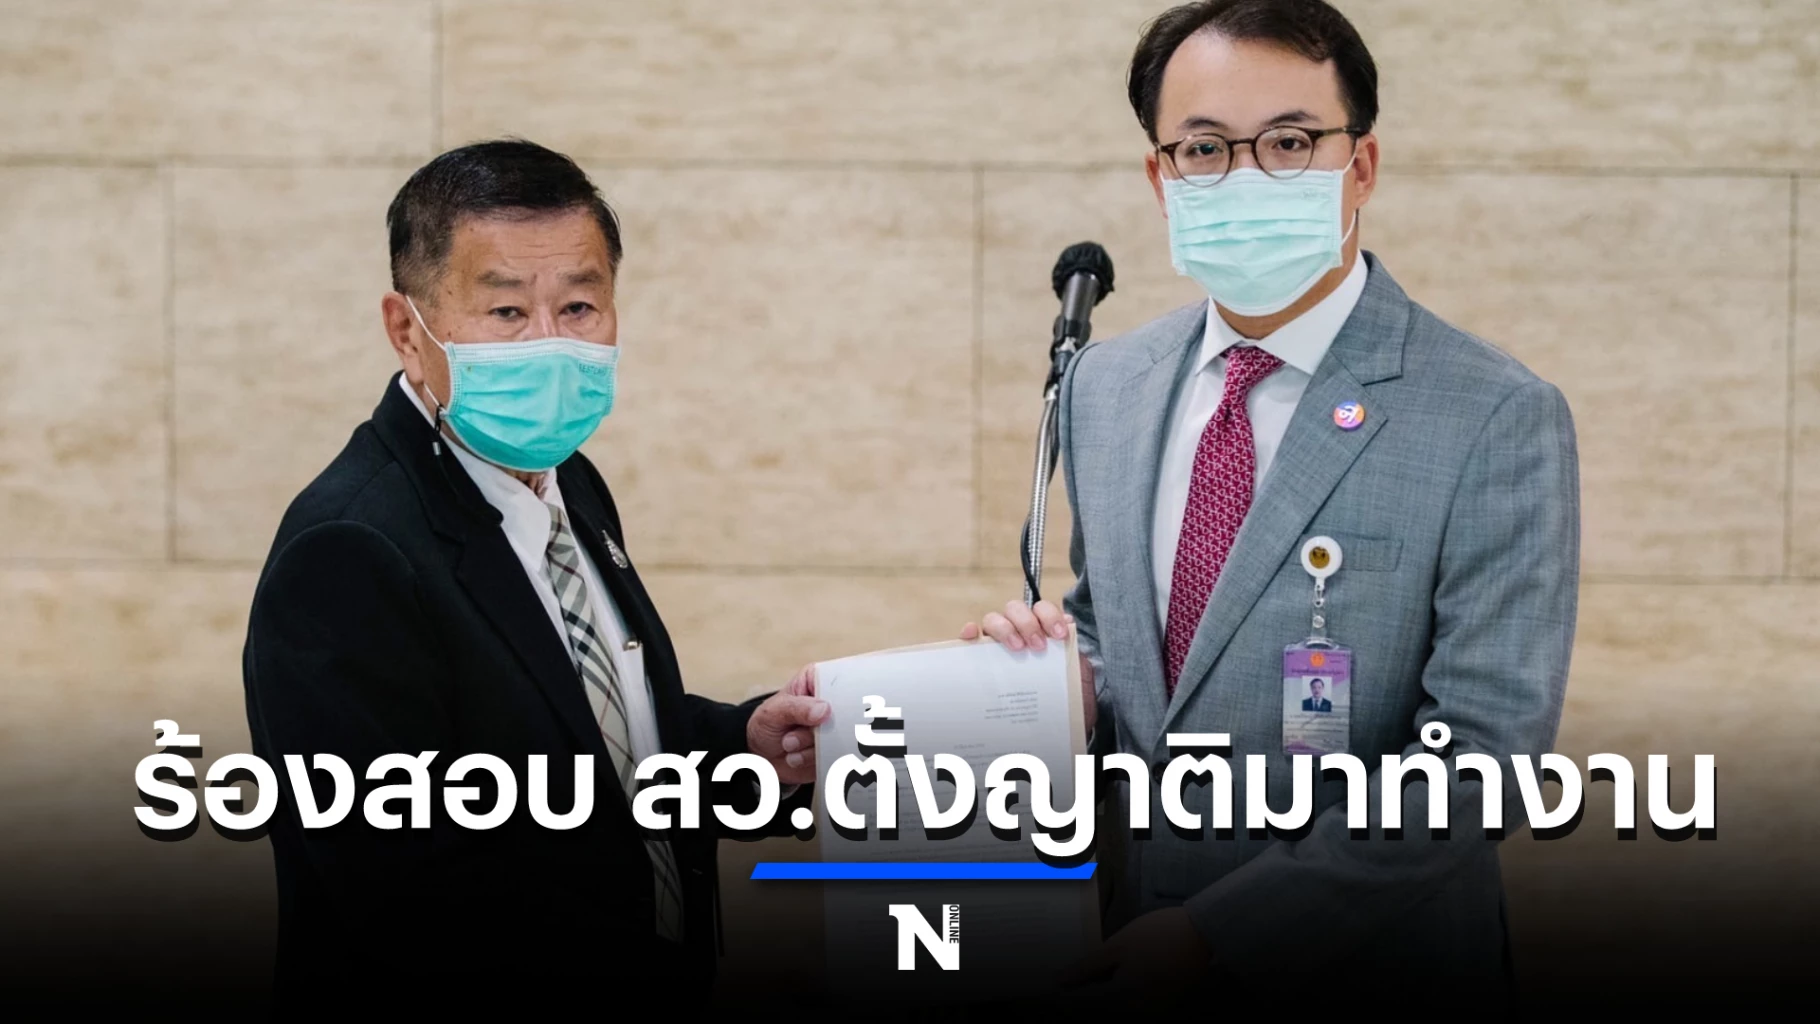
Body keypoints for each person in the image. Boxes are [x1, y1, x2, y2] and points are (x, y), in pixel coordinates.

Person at [964, 0, 1578, 1005]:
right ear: (1160, 179)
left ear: (1360, 166)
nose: (1246, 176)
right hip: (1126, 944)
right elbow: (1114, 635)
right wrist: (1047, 682)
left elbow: (1483, 757)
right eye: (1205, 148)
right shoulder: (1105, 387)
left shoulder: (1491, 414)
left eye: (1290, 142)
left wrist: (1220, 934)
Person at [242, 139, 825, 1012]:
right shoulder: (348, 551)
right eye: (507, 311)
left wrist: (744, 748)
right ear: (407, 331)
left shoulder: (565, 478)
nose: (552, 345)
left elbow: (589, 741)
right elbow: (402, 900)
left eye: (580, 305)